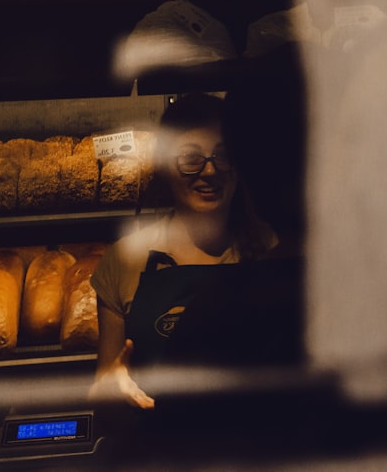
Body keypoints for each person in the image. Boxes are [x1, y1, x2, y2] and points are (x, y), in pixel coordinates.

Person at [88, 91, 284, 412]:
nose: (210, 171)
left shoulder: (271, 250)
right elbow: (100, 394)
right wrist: (110, 389)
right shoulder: (124, 260)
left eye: (223, 156)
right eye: (191, 158)